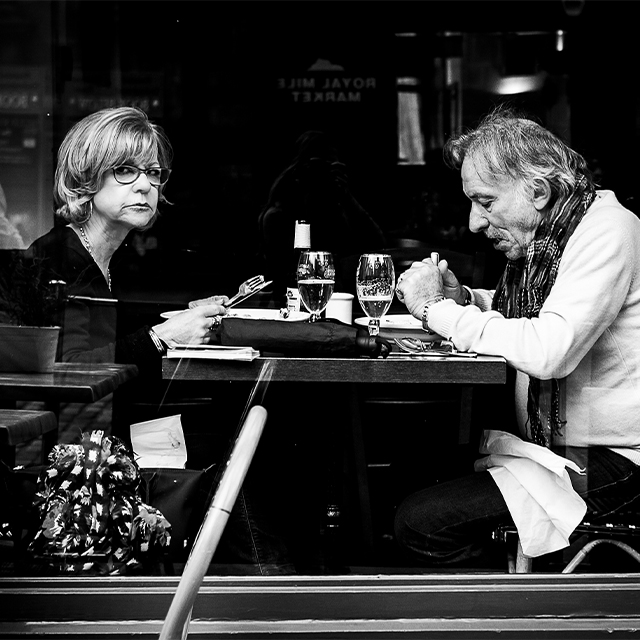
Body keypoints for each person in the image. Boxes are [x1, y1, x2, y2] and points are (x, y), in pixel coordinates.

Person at [394, 105, 640, 568]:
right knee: (409, 470)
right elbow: (538, 314)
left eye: (485, 202)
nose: (474, 222)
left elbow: (549, 349)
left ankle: (532, 593)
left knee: (420, 523)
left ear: (538, 192)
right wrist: (467, 300)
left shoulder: (606, 230)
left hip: (620, 461)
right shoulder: (559, 230)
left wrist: (436, 311)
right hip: (557, 451)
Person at [257, 130, 386, 300]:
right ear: (301, 169)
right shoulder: (280, 213)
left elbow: (377, 246)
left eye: (329, 166)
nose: (322, 174)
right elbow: (288, 271)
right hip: (292, 299)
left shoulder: (339, 205)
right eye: (317, 166)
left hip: (340, 299)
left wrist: (346, 196)